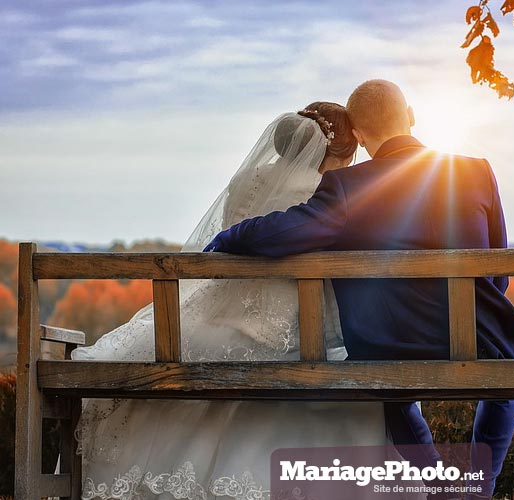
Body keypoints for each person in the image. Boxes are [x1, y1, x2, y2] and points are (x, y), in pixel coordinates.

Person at [204, 79, 514, 499]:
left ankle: (441, 485)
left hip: (393, 342)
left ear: (360, 138)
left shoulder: (348, 186)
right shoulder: (477, 172)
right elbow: (497, 269)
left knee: (390, 392)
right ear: (412, 116)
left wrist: (230, 237)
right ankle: (478, 488)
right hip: (478, 336)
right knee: (506, 373)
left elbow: (286, 231)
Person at [71, 103, 394, 500]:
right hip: (282, 328)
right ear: (338, 150)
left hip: (220, 312)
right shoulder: (319, 190)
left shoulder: (246, 180)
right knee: (356, 396)